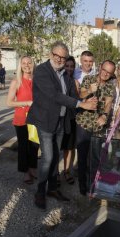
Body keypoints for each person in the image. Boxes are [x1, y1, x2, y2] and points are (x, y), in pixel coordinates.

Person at [27, 41, 97, 209]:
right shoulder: (42, 71)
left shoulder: (66, 74)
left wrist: (86, 101)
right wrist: (81, 105)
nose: (59, 59)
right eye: (56, 55)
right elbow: (55, 95)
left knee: (55, 156)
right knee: (48, 158)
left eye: (63, 57)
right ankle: (40, 191)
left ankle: (52, 188)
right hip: (45, 121)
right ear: (51, 54)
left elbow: (72, 94)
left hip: (60, 121)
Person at [76, 60, 116, 195]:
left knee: (95, 157)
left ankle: (93, 184)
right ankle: (82, 186)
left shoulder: (110, 87)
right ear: (100, 67)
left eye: (109, 73)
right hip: (84, 124)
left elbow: (109, 103)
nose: (105, 74)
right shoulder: (89, 79)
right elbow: (80, 95)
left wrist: (104, 115)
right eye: (104, 70)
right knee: (82, 156)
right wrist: (89, 90)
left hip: (98, 127)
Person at [6, 56, 39, 184]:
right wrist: (26, 103)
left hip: (35, 119)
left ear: (33, 64)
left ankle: (32, 168)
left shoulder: (37, 81)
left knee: (35, 145)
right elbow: (8, 102)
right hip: (21, 119)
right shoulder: (16, 81)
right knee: (24, 146)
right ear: (20, 65)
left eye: (29, 62)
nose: (27, 65)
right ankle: (25, 171)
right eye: (24, 63)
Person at [59, 56, 80, 185]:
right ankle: (55, 173)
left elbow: (77, 100)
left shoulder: (74, 82)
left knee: (69, 147)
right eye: (67, 66)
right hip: (59, 118)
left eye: (72, 66)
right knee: (57, 148)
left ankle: (67, 171)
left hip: (71, 118)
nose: (69, 68)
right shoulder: (57, 80)